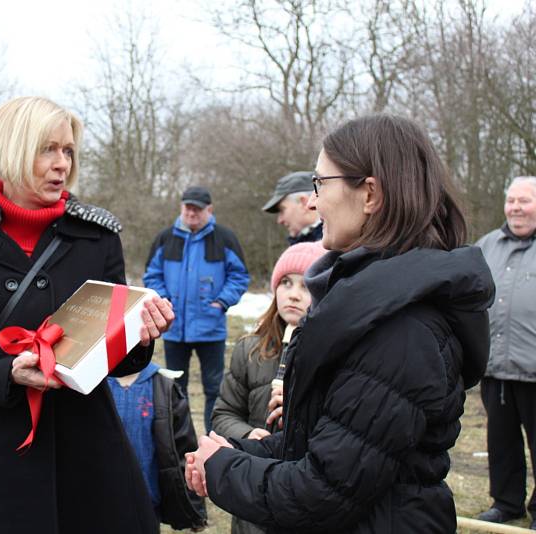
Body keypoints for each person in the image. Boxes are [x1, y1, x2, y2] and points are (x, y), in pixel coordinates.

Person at [185, 114, 495, 533]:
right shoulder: (367, 307)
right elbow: (325, 441)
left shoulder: (401, 332)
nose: (311, 202)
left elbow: (325, 492)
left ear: (369, 194)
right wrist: (240, 451)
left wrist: (223, 469)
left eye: (320, 184)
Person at [0, 96, 175, 534]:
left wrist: (139, 337)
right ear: (11, 149)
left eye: (68, 151)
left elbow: (112, 357)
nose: (61, 164)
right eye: (47, 149)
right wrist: (4, 373)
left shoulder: (98, 235)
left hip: (86, 456)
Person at [211, 241, 325, 534]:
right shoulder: (250, 349)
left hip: (305, 489)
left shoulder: (332, 356)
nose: (294, 295)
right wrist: (249, 434)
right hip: (253, 484)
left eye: (306, 285)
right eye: (286, 283)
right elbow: (223, 415)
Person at [143, 185, 250, 433]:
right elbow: (152, 275)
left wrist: (221, 302)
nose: (191, 213)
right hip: (173, 328)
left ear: (209, 210)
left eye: (197, 209)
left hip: (210, 327)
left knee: (214, 387)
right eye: (187, 207)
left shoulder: (225, 238)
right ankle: (182, 439)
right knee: (175, 387)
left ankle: (213, 439)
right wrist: (163, 300)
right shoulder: (165, 238)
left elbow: (239, 276)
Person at [475, 176, 536, 529]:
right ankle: (506, 502)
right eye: (511, 200)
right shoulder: (487, 245)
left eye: (524, 201)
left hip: (534, 370)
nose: (515, 208)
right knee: (501, 443)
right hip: (495, 368)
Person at [107, 364, 207, 532]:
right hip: (102, 502)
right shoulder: (93, 385)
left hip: (147, 504)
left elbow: (183, 449)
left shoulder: (163, 387)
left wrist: (195, 507)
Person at [262, 171, 322, 245]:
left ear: (304, 203)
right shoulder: (331, 243)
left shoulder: (331, 247)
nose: (280, 220)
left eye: (282, 210)